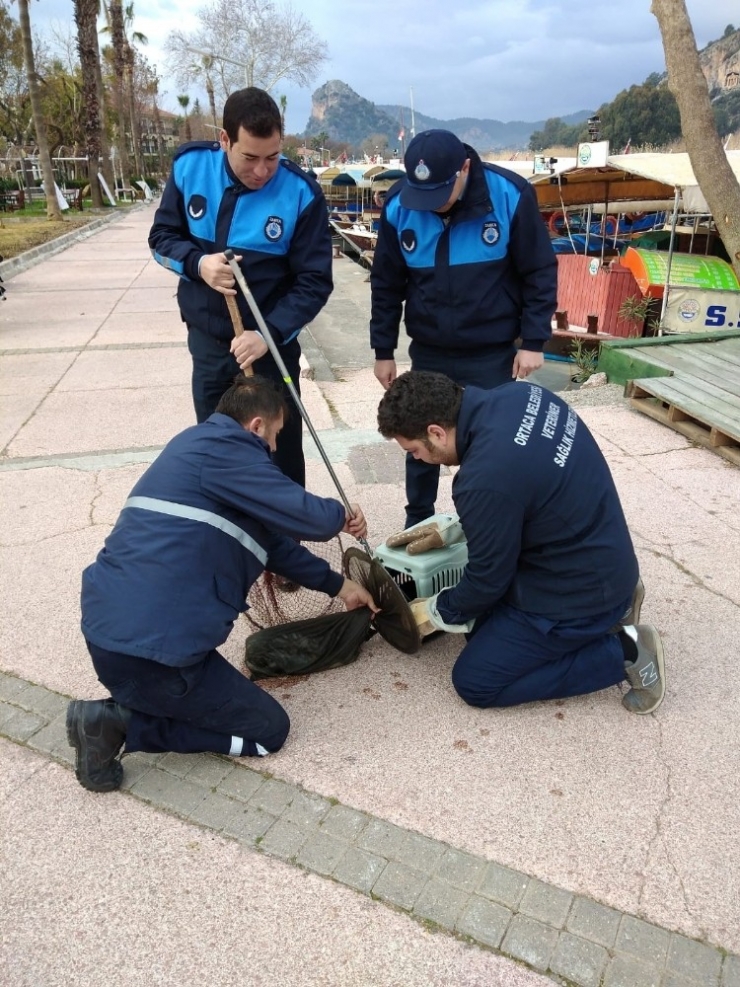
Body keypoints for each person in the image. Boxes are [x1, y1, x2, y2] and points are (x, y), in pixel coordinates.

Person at [67, 375, 376, 793]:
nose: (272, 449)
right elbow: (310, 518)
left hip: (114, 631)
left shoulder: (194, 447)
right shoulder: (228, 452)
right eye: (275, 436)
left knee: (202, 697)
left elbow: (273, 546)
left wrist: (342, 588)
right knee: (269, 732)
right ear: (255, 426)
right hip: (153, 656)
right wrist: (342, 515)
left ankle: (134, 708)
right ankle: (121, 724)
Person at [377, 371, 666, 714]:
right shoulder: (520, 396)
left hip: (577, 593)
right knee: (479, 631)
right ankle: (618, 603)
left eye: (413, 450)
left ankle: (626, 650)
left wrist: (436, 610)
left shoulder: (483, 479)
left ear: (436, 433)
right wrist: (462, 526)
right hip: (606, 557)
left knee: (476, 679)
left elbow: (487, 581)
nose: (416, 459)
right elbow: (533, 488)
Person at [370, 129, 558, 527]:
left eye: (440, 193)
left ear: (465, 169)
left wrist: (534, 340)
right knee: (419, 438)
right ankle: (418, 520)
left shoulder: (510, 194)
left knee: (490, 442)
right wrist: (383, 350)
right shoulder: (399, 206)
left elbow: (539, 271)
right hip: (430, 346)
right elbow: (387, 284)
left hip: (491, 350)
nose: (432, 206)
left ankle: (491, 521)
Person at [149, 87, 333, 487]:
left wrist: (266, 334)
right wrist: (199, 264)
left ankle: (285, 542)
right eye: (250, 157)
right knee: (216, 452)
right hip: (208, 344)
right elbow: (161, 237)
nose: (263, 171)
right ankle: (228, 540)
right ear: (225, 140)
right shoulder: (190, 168)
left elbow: (315, 282)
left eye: (273, 157)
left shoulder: (301, 193)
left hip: (271, 350)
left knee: (279, 455)